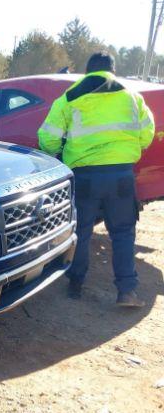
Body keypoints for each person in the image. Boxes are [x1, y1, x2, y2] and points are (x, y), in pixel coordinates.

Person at [38, 52, 155, 307]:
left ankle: (75, 285)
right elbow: (148, 131)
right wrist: (126, 150)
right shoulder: (132, 96)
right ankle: (126, 292)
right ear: (112, 69)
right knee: (123, 233)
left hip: (84, 175)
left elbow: (47, 138)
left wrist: (57, 154)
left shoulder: (70, 96)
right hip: (121, 173)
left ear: (88, 70)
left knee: (81, 231)